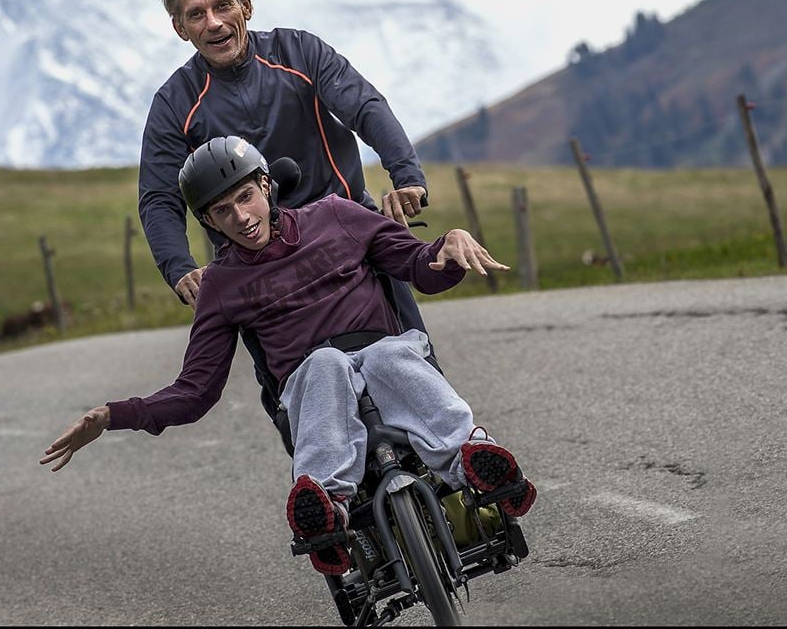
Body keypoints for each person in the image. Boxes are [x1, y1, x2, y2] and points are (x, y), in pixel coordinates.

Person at [40, 136, 536, 577]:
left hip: (384, 355)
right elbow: (195, 392)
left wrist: (448, 246)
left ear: (265, 185)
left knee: (387, 355)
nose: (241, 217)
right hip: (313, 384)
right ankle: (327, 509)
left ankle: (476, 462)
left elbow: (416, 265)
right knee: (325, 364)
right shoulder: (220, 285)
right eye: (222, 211)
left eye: (245, 197)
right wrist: (109, 416)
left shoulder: (336, 215)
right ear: (207, 221)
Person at [139, 0, 435, 373]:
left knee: (416, 361)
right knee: (291, 401)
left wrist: (406, 175)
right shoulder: (174, 103)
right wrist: (180, 268)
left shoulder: (299, 53)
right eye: (196, 14)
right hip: (254, 261)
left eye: (222, 6)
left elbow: (364, 107)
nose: (214, 23)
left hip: (345, 233)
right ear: (180, 28)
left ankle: (455, 439)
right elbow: (159, 196)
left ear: (247, 6)